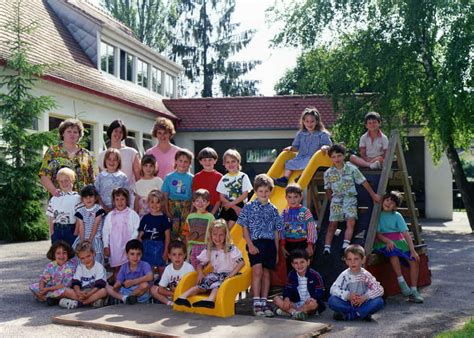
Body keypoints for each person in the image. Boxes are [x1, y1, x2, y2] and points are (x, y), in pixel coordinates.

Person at [237, 174, 284, 317]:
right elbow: (244, 227)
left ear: (271, 191)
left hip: (269, 244)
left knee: (266, 273)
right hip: (255, 243)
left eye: (266, 191)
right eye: (260, 191)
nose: (264, 194)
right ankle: (256, 302)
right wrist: (250, 245)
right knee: (257, 270)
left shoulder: (274, 209)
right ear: (256, 192)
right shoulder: (249, 207)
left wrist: (276, 252)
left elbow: (276, 231)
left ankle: (264, 301)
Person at [323, 144, 381, 255]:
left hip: (350, 198)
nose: (337, 159)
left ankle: (345, 245)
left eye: (339, 156)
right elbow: (328, 189)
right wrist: (332, 202)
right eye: (334, 157)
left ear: (343, 156)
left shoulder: (351, 169)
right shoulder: (328, 173)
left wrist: (373, 195)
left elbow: (363, 182)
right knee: (332, 224)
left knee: (351, 221)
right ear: (330, 158)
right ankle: (327, 247)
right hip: (336, 199)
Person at [175, 219, 244, 309]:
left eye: (221, 235)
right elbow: (200, 263)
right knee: (202, 285)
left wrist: (231, 275)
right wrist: (200, 273)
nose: (217, 238)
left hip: (229, 275)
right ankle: (182, 297)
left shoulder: (231, 248)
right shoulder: (210, 249)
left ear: (226, 235)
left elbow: (241, 262)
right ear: (210, 236)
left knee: (218, 285)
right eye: (215, 235)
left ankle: (210, 300)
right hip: (216, 274)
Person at [374, 191, 424, 303]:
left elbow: (405, 234)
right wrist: (387, 241)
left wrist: (412, 250)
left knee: (414, 260)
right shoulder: (378, 214)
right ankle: (401, 281)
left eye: (392, 203)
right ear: (383, 200)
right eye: (387, 200)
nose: (388, 203)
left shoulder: (397, 216)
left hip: (399, 242)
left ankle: (414, 291)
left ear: (395, 207)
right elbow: (378, 234)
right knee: (393, 252)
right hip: (384, 241)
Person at [274, 107, 332, 187]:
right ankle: (285, 179)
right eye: (307, 121)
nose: (309, 124)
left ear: (317, 122)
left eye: (312, 121)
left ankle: (302, 176)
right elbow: (296, 147)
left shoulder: (322, 134)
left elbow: (329, 145)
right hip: (301, 157)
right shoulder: (301, 134)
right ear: (303, 122)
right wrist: (290, 148)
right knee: (289, 163)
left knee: (309, 162)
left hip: (314, 159)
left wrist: (325, 147)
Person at [39, 118, 95, 196]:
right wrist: (54, 192)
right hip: (59, 200)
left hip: (82, 201)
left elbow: (92, 180)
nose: (72, 134)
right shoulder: (53, 151)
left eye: (75, 132)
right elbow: (44, 175)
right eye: (69, 131)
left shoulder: (86, 154)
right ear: (63, 133)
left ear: (79, 135)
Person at [328, 244, 384, 321]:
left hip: (363, 303)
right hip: (348, 303)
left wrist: (364, 297)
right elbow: (333, 289)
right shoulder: (345, 275)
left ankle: (352, 315)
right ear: (346, 261)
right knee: (332, 300)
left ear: (363, 260)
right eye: (349, 259)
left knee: (379, 301)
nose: (353, 262)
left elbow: (380, 290)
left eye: (356, 259)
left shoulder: (366, 275)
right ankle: (361, 313)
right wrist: (348, 296)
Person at [273, 249, 325, 321]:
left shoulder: (315, 275)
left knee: (313, 304)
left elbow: (320, 291)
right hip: (296, 303)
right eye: (296, 263)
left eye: (302, 262)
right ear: (292, 264)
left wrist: (313, 298)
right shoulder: (291, 275)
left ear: (308, 262)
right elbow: (287, 290)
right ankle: (296, 313)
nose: (299, 265)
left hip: (309, 304)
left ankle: (291, 312)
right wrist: (287, 298)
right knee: (276, 299)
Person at [103, 188, 140, 280]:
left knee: (129, 266)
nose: (120, 202)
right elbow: (105, 231)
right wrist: (105, 246)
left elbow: (136, 230)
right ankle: (117, 284)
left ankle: (129, 285)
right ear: (113, 201)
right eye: (117, 199)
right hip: (115, 246)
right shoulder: (110, 215)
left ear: (127, 200)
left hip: (128, 246)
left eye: (122, 199)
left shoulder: (132, 214)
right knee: (117, 267)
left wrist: (131, 244)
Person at [59, 241, 108, 309]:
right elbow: (76, 282)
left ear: (93, 253)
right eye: (82, 258)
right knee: (65, 290)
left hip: (94, 291)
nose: (86, 260)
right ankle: (92, 301)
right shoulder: (80, 267)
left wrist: (88, 294)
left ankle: (79, 303)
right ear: (79, 258)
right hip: (82, 291)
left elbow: (99, 285)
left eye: (88, 256)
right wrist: (78, 292)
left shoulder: (99, 267)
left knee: (104, 291)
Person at [280, 184, 317, 272]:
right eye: (290, 197)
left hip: (302, 243)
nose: (292, 200)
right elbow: (281, 230)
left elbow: (311, 228)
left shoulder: (305, 212)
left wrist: (310, 244)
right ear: (286, 198)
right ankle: (292, 285)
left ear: (301, 197)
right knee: (291, 266)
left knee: (303, 266)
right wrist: (282, 245)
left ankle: (305, 284)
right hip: (289, 244)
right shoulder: (284, 213)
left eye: (295, 197)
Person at [106, 239, 153, 305]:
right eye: (132, 254)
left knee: (145, 285)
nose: (135, 257)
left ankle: (129, 298)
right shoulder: (124, 266)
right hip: (126, 291)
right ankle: (126, 298)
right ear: (127, 254)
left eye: (138, 254)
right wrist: (117, 286)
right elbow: (119, 282)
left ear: (142, 254)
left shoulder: (145, 265)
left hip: (141, 293)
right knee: (107, 287)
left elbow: (150, 277)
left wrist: (132, 282)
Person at [30, 240, 76, 306]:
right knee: (33, 286)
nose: (61, 256)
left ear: (68, 254)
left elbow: (65, 285)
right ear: (54, 255)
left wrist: (47, 289)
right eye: (58, 253)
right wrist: (42, 289)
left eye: (64, 253)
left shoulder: (70, 267)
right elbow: (43, 278)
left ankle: (47, 298)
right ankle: (49, 298)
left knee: (64, 291)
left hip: (63, 288)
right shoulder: (51, 265)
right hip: (51, 288)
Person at [161, 149, 194, 240]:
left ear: (189, 163)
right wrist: (167, 210)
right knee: (172, 233)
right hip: (172, 207)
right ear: (175, 161)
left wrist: (191, 212)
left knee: (185, 233)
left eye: (186, 162)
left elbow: (193, 197)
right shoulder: (169, 177)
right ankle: (172, 253)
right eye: (180, 161)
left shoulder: (192, 178)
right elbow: (165, 195)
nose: (183, 164)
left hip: (186, 207)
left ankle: (185, 253)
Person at [216, 149, 253, 229]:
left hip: (239, 203)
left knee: (230, 229)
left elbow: (245, 194)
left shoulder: (243, 176)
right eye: (227, 162)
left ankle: (228, 239)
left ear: (238, 162)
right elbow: (221, 197)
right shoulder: (224, 178)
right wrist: (233, 206)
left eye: (233, 161)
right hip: (227, 204)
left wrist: (234, 206)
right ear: (224, 164)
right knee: (223, 228)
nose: (230, 164)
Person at [150, 240, 195, 306]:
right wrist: (173, 294)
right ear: (169, 256)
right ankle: (170, 303)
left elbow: (193, 287)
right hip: (172, 295)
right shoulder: (168, 268)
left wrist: (180, 293)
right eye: (174, 254)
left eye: (180, 254)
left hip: (185, 295)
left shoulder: (189, 268)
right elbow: (161, 289)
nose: (177, 257)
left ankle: (180, 302)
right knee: (153, 289)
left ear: (185, 255)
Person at [97, 120, 140, 186]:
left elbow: (138, 178)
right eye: (116, 131)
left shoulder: (132, 153)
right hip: (108, 194)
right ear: (111, 132)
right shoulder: (102, 155)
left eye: (121, 132)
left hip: (128, 194)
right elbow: (100, 181)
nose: (118, 134)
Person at [138, 190, 171, 272]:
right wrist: (139, 244)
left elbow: (167, 236)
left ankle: (162, 283)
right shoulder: (145, 217)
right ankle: (150, 283)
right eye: (152, 202)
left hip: (160, 246)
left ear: (162, 203)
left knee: (161, 267)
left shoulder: (165, 218)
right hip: (146, 245)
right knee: (148, 268)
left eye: (157, 202)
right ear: (148, 203)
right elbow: (140, 233)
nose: (154, 205)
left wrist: (166, 251)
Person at [46, 167, 81, 246]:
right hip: (57, 230)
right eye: (61, 181)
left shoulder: (77, 198)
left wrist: (75, 233)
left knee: (71, 254)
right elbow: (51, 217)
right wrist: (52, 233)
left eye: (66, 180)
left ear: (72, 180)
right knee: (57, 253)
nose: (64, 183)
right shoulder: (54, 198)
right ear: (58, 182)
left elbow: (79, 218)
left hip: (71, 230)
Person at [72, 185, 106, 265]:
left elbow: (96, 224)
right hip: (83, 238)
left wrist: (90, 240)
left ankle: (96, 276)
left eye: (91, 196)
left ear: (95, 197)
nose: (88, 199)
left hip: (95, 238)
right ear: (82, 199)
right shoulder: (80, 211)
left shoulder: (99, 209)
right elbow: (81, 227)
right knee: (80, 257)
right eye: (85, 197)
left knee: (96, 259)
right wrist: (82, 241)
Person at [184, 189, 215, 269]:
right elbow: (186, 233)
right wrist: (188, 247)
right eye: (197, 201)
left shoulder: (210, 217)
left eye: (203, 201)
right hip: (192, 247)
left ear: (208, 203)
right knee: (192, 267)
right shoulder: (190, 216)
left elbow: (213, 233)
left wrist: (210, 247)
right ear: (193, 203)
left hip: (205, 247)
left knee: (203, 268)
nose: (200, 203)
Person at [95, 148, 129, 213]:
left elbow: (126, 196)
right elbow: (96, 194)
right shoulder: (100, 176)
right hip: (102, 210)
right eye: (109, 159)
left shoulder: (123, 177)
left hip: (119, 210)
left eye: (115, 160)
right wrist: (104, 207)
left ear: (119, 162)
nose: (111, 162)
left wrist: (116, 208)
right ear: (105, 160)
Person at [192, 147, 223, 216]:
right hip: (199, 208)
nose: (207, 162)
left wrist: (213, 212)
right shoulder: (196, 177)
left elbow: (219, 198)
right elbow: (194, 196)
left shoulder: (220, 177)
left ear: (215, 161)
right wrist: (193, 211)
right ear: (200, 161)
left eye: (210, 160)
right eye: (204, 160)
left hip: (214, 208)